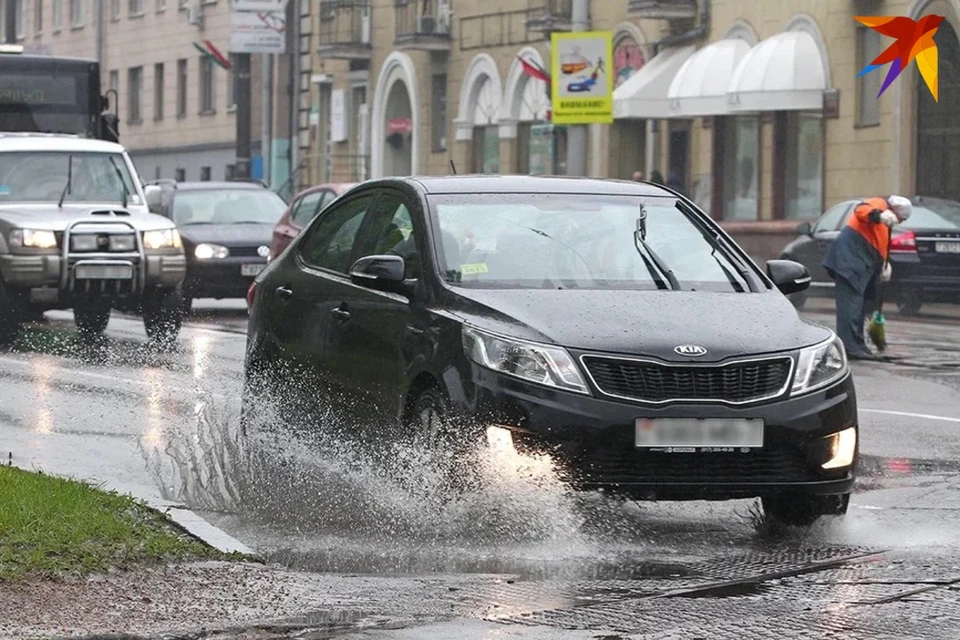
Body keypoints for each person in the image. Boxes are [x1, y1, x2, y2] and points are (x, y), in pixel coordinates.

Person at [823, 195, 913, 360]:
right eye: (901, 218)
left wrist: (885, 265)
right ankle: (849, 346)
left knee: (860, 305)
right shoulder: (879, 204)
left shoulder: (886, 225)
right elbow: (861, 210)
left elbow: (879, 243)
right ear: (895, 210)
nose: (900, 222)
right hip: (849, 260)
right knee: (850, 305)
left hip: (862, 264)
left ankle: (858, 344)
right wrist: (880, 214)